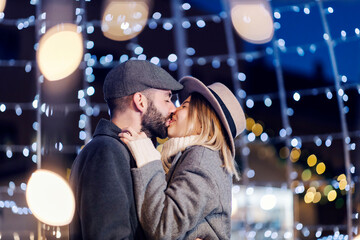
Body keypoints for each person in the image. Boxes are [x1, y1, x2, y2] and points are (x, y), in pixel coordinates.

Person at [119, 76, 246, 240]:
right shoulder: (191, 157)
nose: (174, 110)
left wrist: (148, 159)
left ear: (202, 121)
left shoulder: (202, 159)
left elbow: (164, 228)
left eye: (184, 106)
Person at [69, 59, 183, 239]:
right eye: (167, 99)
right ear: (140, 101)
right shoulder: (106, 151)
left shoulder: (122, 150)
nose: (173, 108)